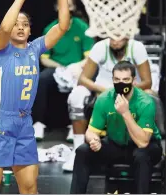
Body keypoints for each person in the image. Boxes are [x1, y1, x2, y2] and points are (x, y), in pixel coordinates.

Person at [0, 0, 70, 194]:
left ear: (30, 30)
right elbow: (3, 29)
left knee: (30, 189)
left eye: (25, 24)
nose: (20, 27)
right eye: (17, 24)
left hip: (24, 123)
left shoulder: (35, 48)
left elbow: (63, 26)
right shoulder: (1, 50)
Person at [62, 36, 153, 171]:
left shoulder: (137, 47)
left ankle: (144, 145)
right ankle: (77, 149)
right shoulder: (100, 47)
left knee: (150, 94)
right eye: (112, 37)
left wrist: (127, 91)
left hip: (131, 92)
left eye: (119, 36)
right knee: (77, 95)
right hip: (103, 91)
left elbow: (147, 82)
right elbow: (83, 79)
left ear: (127, 36)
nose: (115, 40)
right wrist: (105, 91)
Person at [70, 60, 162, 194]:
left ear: (133, 80)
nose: (121, 83)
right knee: (82, 151)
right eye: (117, 79)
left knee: (141, 155)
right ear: (112, 80)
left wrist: (125, 113)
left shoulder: (145, 102)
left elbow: (143, 142)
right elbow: (90, 132)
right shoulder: (104, 99)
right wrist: (93, 140)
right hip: (116, 144)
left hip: (147, 147)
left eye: (125, 79)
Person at [32, 0, 94, 141]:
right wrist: (61, 68)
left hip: (78, 68)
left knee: (82, 83)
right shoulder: (49, 29)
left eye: (69, 4)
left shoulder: (83, 27)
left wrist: (74, 67)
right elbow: (44, 59)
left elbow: (88, 57)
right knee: (40, 79)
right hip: (57, 68)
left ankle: (75, 127)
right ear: (56, 7)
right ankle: (38, 124)